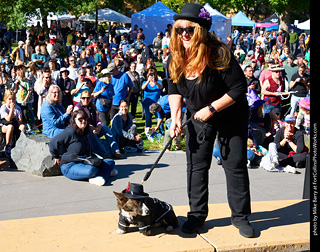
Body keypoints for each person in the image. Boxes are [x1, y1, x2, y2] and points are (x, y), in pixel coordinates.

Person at [168, 3, 253, 237]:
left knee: (234, 165)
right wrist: (175, 118)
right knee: (196, 167)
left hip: (230, 115)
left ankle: (240, 217)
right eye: (179, 29)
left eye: (190, 29)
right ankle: (196, 215)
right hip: (197, 116)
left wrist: (211, 109)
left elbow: (238, 88)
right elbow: (174, 89)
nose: (184, 34)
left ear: (201, 30)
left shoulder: (219, 53)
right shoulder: (176, 57)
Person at [49, 109, 117, 186]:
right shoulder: (70, 131)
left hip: (86, 161)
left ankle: (100, 176)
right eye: (80, 119)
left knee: (110, 162)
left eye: (85, 119)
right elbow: (53, 142)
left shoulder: (86, 131)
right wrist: (56, 156)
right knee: (91, 170)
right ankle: (103, 173)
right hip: (70, 165)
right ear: (74, 120)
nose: (83, 121)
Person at [74, 91, 123, 159]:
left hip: (95, 129)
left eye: (88, 98)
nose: (86, 100)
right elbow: (80, 122)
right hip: (84, 131)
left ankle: (115, 151)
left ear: (91, 98)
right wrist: (92, 128)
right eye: (83, 98)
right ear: (80, 98)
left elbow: (97, 119)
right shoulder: (78, 108)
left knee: (106, 128)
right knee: (90, 132)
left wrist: (99, 126)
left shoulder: (92, 106)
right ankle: (103, 153)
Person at [0, 91, 25, 157]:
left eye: (13, 99)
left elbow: (20, 120)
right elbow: (8, 119)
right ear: (6, 99)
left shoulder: (18, 107)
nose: (11, 101)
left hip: (15, 124)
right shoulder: (3, 107)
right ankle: (8, 146)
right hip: (5, 126)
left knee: (22, 126)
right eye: (9, 99)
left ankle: (22, 144)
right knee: (10, 127)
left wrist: (18, 122)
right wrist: (11, 109)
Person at [141, 68, 162, 140]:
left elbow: (161, 87)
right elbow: (142, 88)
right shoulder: (145, 82)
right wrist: (148, 81)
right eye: (150, 74)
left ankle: (161, 132)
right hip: (147, 104)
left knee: (159, 118)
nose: (152, 76)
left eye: (153, 74)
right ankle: (148, 133)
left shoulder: (158, 82)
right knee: (148, 119)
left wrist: (155, 82)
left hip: (156, 104)